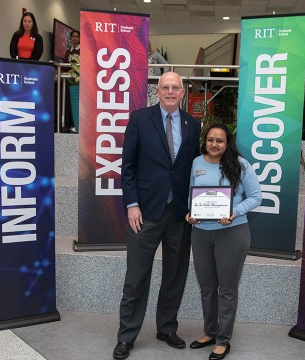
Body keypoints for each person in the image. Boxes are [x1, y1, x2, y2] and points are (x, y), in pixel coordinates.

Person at [114, 72, 201, 360]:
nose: (171, 92)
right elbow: (127, 168)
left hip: (180, 214)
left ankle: (166, 328)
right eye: (166, 87)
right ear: (158, 91)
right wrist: (132, 204)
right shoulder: (140, 119)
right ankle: (126, 336)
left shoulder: (193, 124)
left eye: (176, 87)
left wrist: (198, 206)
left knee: (175, 275)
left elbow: (195, 168)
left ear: (183, 92)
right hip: (145, 212)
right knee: (136, 277)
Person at [186, 124, 262, 360]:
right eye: (210, 140)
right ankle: (210, 331)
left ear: (227, 143)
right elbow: (191, 194)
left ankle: (223, 339)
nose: (214, 144)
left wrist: (235, 212)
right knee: (207, 287)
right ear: (205, 141)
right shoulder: (197, 163)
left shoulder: (240, 165)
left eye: (220, 140)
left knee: (227, 289)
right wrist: (189, 213)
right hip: (200, 232)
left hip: (232, 233)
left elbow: (256, 197)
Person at [63, 30, 80, 133]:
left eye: (77, 36)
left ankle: (77, 124)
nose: (75, 38)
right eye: (73, 36)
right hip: (70, 81)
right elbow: (65, 65)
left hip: (79, 81)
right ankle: (71, 124)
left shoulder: (82, 50)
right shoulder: (68, 51)